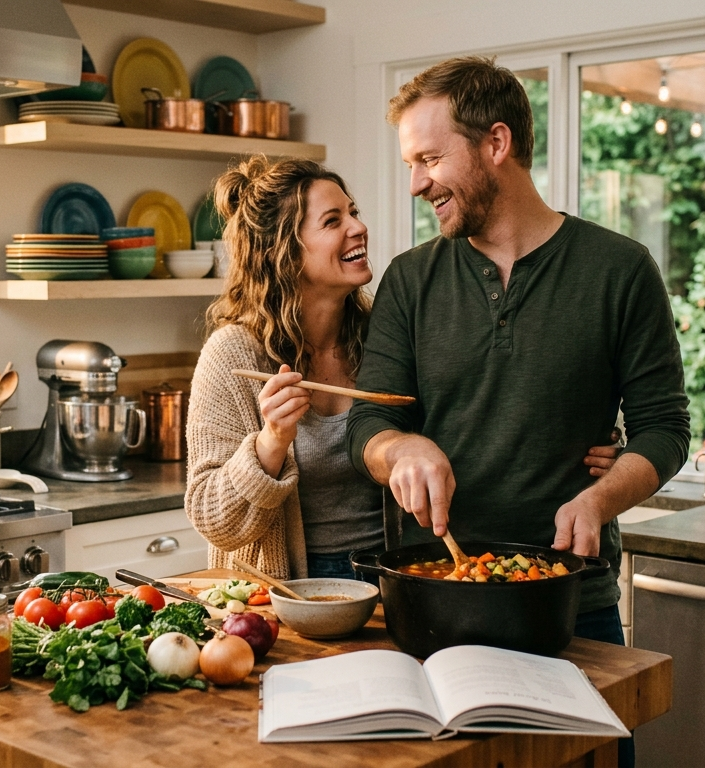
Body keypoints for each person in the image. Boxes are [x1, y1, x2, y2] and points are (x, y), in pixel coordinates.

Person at [347, 56, 690, 638]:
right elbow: (367, 423)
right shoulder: (409, 280)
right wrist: (400, 450)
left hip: (573, 601)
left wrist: (600, 501)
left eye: (430, 159)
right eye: (412, 164)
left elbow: (665, 428)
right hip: (436, 593)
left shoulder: (620, 269)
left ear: (496, 143)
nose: (416, 184)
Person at [184, 156, 621, 580]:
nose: (359, 227)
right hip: (289, 590)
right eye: (333, 221)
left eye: (352, 212)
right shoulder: (234, 356)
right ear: (281, 251)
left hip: (397, 572)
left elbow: (478, 405)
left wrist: (591, 439)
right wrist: (270, 444)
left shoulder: (385, 331)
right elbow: (211, 517)